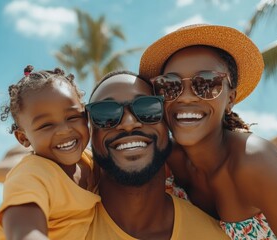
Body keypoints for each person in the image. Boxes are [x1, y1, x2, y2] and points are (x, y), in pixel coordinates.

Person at [139, 24, 277, 239]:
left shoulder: (255, 163)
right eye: (170, 85)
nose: (186, 97)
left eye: (207, 83)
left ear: (230, 99)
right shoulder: (164, 160)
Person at [84, 70, 229, 239]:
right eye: (105, 113)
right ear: (89, 132)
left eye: (147, 107)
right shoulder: (62, 223)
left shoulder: (213, 236)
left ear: (168, 123)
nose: (129, 123)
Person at [0, 66, 100, 240]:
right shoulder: (31, 175)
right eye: (46, 125)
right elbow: (24, 231)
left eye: (73, 117)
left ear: (86, 115)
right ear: (23, 138)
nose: (64, 130)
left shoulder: (90, 161)